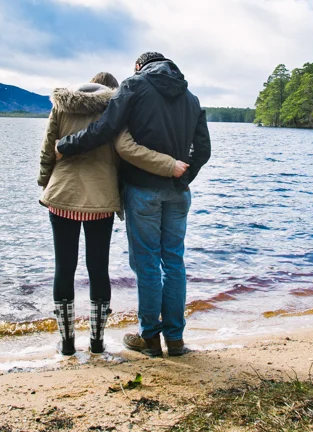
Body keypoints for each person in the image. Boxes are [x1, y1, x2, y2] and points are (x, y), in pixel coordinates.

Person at [56, 53, 210, 357]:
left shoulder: (134, 85)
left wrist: (67, 146)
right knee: (174, 263)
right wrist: (184, 175)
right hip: (179, 192)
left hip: (143, 190)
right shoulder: (191, 98)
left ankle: (150, 337)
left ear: (139, 67)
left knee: (148, 264)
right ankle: (176, 340)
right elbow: (203, 148)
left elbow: (106, 129)